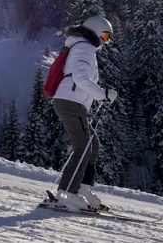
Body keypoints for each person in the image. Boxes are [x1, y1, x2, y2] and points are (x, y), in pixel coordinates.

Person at [49, 14, 117, 212]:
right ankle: (68, 193)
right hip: (70, 101)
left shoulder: (81, 47)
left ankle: (83, 188)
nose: (105, 42)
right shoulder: (85, 48)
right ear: (95, 31)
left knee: (92, 143)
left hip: (71, 101)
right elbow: (79, 77)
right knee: (83, 146)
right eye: (105, 37)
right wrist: (102, 94)